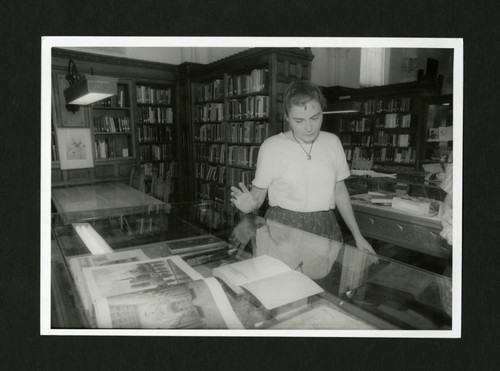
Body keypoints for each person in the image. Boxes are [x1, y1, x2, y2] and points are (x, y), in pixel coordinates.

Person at [230, 80, 376, 256]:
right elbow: (257, 196)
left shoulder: (332, 143)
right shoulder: (271, 147)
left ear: (323, 111)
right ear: (286, 117)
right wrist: (249, 205)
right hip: (281, 228)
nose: (309, 128)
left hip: (324, 226)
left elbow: (339, 191)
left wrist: (357, 235)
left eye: (315, 118)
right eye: (298, 120)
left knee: (319, 281)